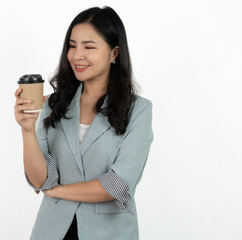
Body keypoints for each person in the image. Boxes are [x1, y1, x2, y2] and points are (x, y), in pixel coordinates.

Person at [14, 6, 153, 240]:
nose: (77, 55)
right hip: (52, 231)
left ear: (114, 53)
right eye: (72, 45)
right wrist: (27, 130)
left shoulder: (138, 110)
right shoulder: (54, 104)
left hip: (109, 232)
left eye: (89, 47)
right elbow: (41, 180)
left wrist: (59, 191)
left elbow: (117, 185)